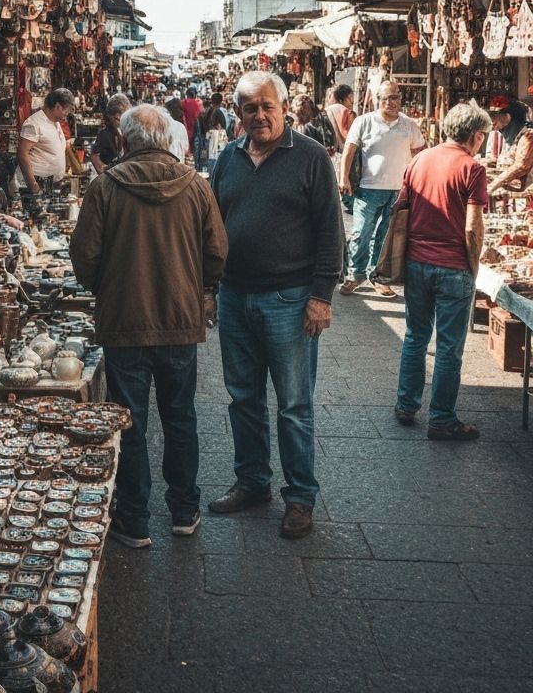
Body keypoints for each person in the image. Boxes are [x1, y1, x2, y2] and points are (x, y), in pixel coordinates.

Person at [71, 104, 227, 547]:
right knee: (180, 417)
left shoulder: (105, 187)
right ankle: (184, 510)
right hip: (180, 321)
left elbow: (84, 257)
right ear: (166, 141)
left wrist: (109, 284)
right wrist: (199, 286)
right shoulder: (195, 187)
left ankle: (135, 517)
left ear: (124, 141)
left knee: (131, 420)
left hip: (125, 321)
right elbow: (217, 252)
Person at [209, 71, 343, 539]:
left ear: (284, 107)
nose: (260, 115)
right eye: (250, 108)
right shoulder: (227, 158)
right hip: (235, 296)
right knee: (243, 398)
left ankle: (300, 496)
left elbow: (331, 230)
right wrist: (210, 288)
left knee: (293, 404)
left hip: (290, 298)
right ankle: (252, 482)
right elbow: (213, 227)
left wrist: (321, 296)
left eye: (268, 106)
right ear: (239, 113)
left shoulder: (309, 157)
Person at [394, 103, 490, 440]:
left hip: (417, 262)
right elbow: (472, 227)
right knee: (449, 347)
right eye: (483, 135)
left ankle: (406, 404)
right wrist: (473, 266)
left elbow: (402, 208)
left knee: (415, 336)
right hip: (452, 267)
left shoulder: (419, 160)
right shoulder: (472, 168)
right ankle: (442, 419)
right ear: (476, 135)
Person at [339, 81, 426, 298]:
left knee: (386, 238)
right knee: (360, 234)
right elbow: (349, 150)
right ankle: (355, 275)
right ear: (377, 100)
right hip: (368, 189)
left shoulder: (409, 125)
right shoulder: (364, 122)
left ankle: (377, 277)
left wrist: (418, 183)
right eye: (385, 98)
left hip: (398, 191)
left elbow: (420, 154)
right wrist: (343, 178)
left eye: (394, 97)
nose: (390, 103)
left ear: (400, 98)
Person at [15, 87, 75, 196]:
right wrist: (32, 184)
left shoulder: (55, 122)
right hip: (35, 185)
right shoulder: (34, 123)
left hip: (50, 184)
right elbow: (22, 153)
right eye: (67, 110)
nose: (67, 114)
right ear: (57, 106)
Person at [90, 93, 130, 173]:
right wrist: (103, 169)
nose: (119, 121)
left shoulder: (129, 131)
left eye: (122, 116)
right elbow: (94, 156)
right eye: (116, 118)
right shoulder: (104, 134)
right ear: (110, 116)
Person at [181, 86, 204, 165]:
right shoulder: (198, 103)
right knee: (196, 152)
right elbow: (201, 116)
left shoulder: (183, 103)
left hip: (185, 130)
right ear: (194, 95)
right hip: (196, 131)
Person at [164, 97, 190, 162]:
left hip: (165, 162)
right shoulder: (181, 127)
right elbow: (186, 149)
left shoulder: (162, 125)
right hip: (179, 163)